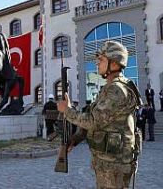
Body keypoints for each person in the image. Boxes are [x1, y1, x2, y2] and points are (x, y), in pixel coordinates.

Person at [57, 41, 141, 188]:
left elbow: (93, 121)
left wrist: (67, 110)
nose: (97, 63)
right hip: (108, 162)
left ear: (114, 64)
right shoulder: (110, 87)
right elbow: (100, 118)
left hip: (115, 165)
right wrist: (77, 138)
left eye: (101, 60)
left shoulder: (117, 90)